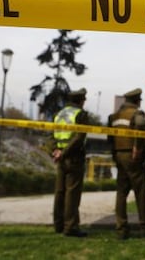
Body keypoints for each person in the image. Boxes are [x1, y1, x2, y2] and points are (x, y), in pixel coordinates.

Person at [108, 88, 145, 240]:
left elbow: (109, 137)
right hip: (134, 157)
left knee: (121, 192)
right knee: (141, 193)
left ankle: (121, 229)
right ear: (137, 101)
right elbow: (139, 125)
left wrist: (116, 152)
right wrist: (137, 147)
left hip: (119, 155)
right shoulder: (137, 114)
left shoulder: (114, 116)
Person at [51, 88, 89, 237]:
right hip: (74, 158)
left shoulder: (59, 114)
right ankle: (71, 227)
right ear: (81, 100)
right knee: (72, 194)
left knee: (60, 192)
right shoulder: (80, 114)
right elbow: (79, 137)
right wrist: (64, 152)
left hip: (60, 158)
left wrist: (55, 150)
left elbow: (51, 134)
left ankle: (58, 225)